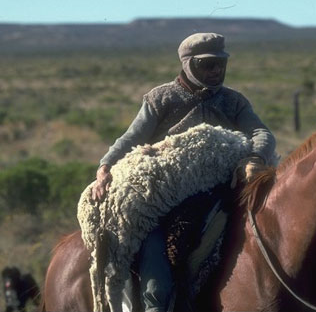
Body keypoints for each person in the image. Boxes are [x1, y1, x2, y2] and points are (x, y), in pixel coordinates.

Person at [90, 32, 276, 312]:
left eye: (220, 64)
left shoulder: (234, 101)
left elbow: (261, 132)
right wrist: (105, 167)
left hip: (217, 193)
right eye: (207, 65)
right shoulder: (161, 98)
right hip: (161, 201)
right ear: (189, 65)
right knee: (158, 288)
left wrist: (254, 156)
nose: (216, 71)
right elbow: (131, 138)